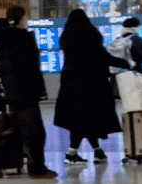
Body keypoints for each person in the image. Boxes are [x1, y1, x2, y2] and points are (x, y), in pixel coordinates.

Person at [0, 6, 57, 179]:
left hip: (15, 90)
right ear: (21, 18)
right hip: (24, 91)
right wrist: (35, 87)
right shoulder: (22, 38)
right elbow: (31, 68)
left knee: (19, 131)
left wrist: (9, 81)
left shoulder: (5, 39)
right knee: (36, 132)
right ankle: (37, 168)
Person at [55, 9, 128, 164]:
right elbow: (102, 56)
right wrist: (124, 63)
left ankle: (97, 151)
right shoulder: (90, 34)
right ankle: (71, 153)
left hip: (70, 82)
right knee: (87, 117)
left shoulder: (66, 36)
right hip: (92, 82)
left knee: (82, 118)